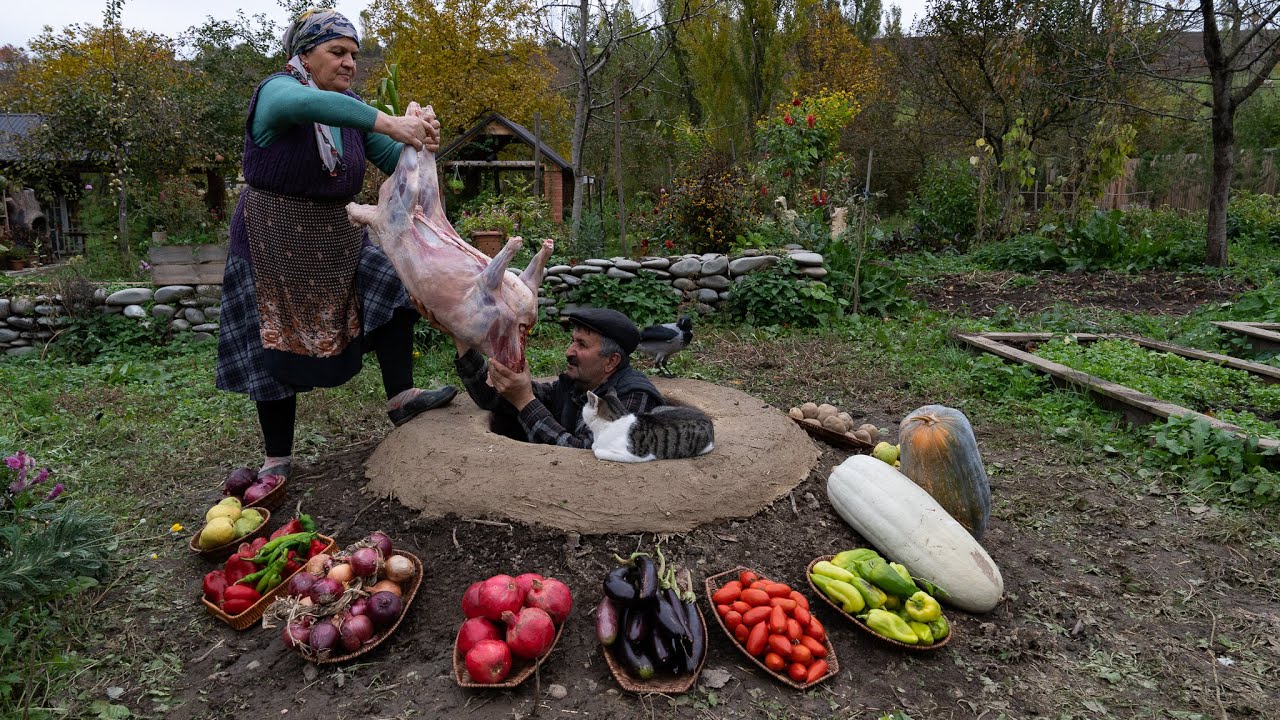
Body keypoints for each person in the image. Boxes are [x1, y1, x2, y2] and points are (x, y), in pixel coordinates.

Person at [216, 8, 456, 480]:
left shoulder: (351, 114)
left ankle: (401, 396)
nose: (349, 63)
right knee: (271, 347)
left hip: (337, 237)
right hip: (272, 243)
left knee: (393, 282)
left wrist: (421, 146)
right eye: (337, 52)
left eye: (353, 54)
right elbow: (308, 107)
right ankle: (277, 458)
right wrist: (388, 122)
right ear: (304, 54)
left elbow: (396, 161)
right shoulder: (278, 92)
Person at [449, 308, 665, 447]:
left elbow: (581, 454)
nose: (569, 352)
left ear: (611, 361)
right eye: (572, 341)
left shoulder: (632, 397)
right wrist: (462, 338)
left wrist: (525, 400)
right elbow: (493, 399)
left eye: (582, 344)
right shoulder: (575, 386)